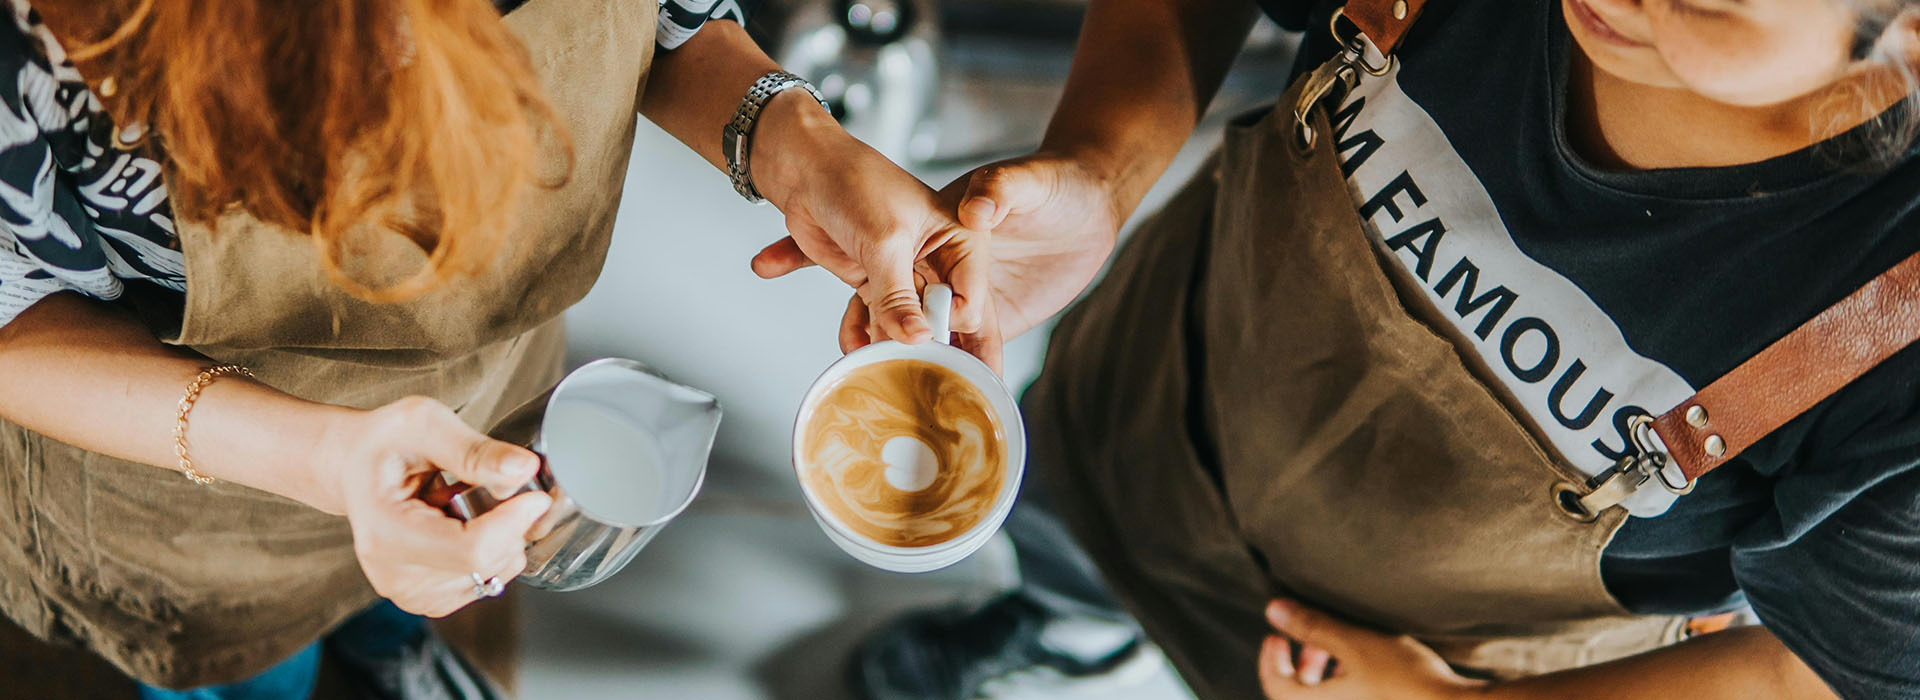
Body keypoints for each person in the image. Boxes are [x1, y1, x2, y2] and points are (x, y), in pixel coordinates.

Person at [794, 0, 1920, 698]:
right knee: (1062, 527)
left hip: (1410, 669)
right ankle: (1068, 625)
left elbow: (1821, 666)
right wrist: (1101, 166)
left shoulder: (1892, 322)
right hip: (1159, 390)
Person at [0, 0, 992, 697]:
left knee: (416, 589)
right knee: (253, 671)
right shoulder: (36, 46)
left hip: (490, 377)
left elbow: (667, 22)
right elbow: (15, 318)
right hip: (204, 491)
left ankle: (392, 647)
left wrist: (797, 142)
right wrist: (330, 458)